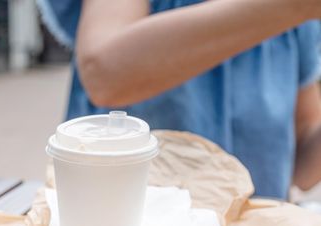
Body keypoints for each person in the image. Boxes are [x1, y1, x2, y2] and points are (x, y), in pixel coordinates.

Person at [37, 0, 321, 199]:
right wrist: (291, 6)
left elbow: (302, 165)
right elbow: (103, 75)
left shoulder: (295, 23)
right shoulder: (291, 9)